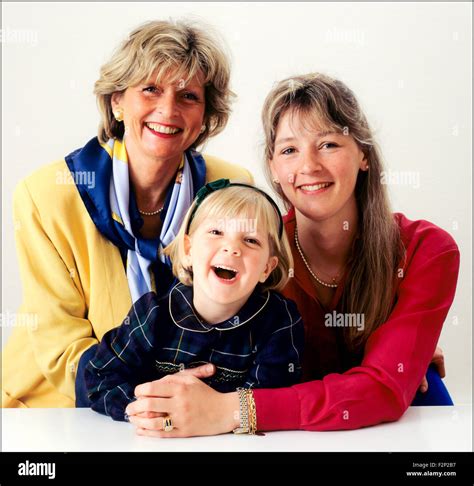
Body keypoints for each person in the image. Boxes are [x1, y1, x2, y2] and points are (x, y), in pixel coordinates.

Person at [123, 73, 460, 437]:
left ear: (364, 154)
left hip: (402, 431)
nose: (309, 166)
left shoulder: (427, 250)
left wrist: (234, 409)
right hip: (288, 439)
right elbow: (181, 346)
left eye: (329, 144)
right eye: (289, 150)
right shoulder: (250, 254)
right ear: (273, 168)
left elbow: (384, 389)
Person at [1, 19, 253, 409]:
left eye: (188, 96)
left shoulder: (231, 189)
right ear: (117, 101)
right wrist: (151, 393)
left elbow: (243, 319)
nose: (168, 110)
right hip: (55, 408)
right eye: (150, 89)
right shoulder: (46, 196)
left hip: (186, 410)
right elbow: (59, 347)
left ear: (205, 115)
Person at [84, 181, 304, 425]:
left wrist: (212, 411)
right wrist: (145, 408)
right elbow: (100, 377)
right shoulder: (154, 314)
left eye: (251, 240)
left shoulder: (278, 321)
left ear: (267, 268)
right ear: (188, 250)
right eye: (216, 232)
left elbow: (270, 400)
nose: (232, 248)